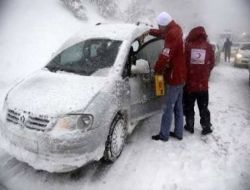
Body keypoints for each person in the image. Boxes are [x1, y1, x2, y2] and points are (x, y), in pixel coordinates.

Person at [142, 12, 187, 141]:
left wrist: (157, 70)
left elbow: (165, 55)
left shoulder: (172, 34)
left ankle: (164, 135)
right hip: (181, 75)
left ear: (164, 25)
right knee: (178, 106)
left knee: (168, 107)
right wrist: (150, 31)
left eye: (159, 25)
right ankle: (179, 133)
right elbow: (162, 33)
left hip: (175, 76)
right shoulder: (175, 29)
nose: (159, 27)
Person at [184, 26, 215, 135]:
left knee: (189, 106)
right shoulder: (208, 47)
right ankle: (206, 127)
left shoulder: (188, 46)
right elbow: (212, 63)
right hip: (203, 85)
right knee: (204, 107)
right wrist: (205, 73)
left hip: (190, 84)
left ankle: (190, 125)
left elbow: (184, 64)